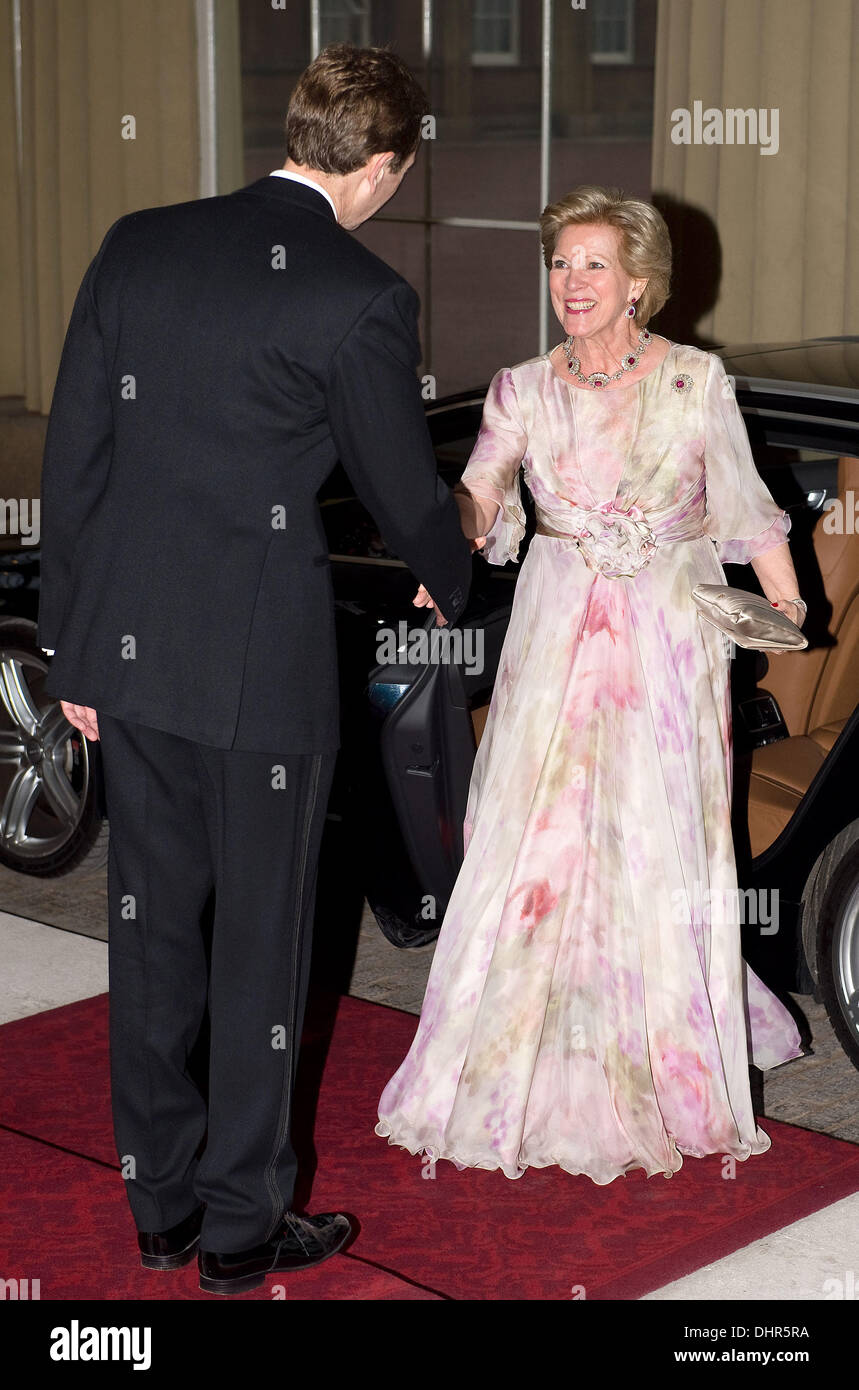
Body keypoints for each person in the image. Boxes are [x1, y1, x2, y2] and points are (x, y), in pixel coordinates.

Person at [38, 43, 471, 1296]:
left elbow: (75, 459)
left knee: (152, 928)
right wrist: (466, 570)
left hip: (126, 652)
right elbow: (403, 497)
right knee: (265, 944)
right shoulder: (358, 297)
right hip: (257, 675)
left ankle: (158, 1205)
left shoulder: (139, 240)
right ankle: (240, 1227)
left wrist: (75, 642)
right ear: (381, 167)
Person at [376, 185, 805, 1184]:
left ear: (639, 283)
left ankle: (665, 1062)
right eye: (561, 263)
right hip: (558, 626)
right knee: (539, 833)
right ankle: (527, 1045)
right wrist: (452, 547)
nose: (571, 281)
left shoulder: (695, 381)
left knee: (656, 835)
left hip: (665, 634)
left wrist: (786, 604)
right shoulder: (520, 388)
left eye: (593, 265)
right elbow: (482, 488)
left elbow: (745, 508)